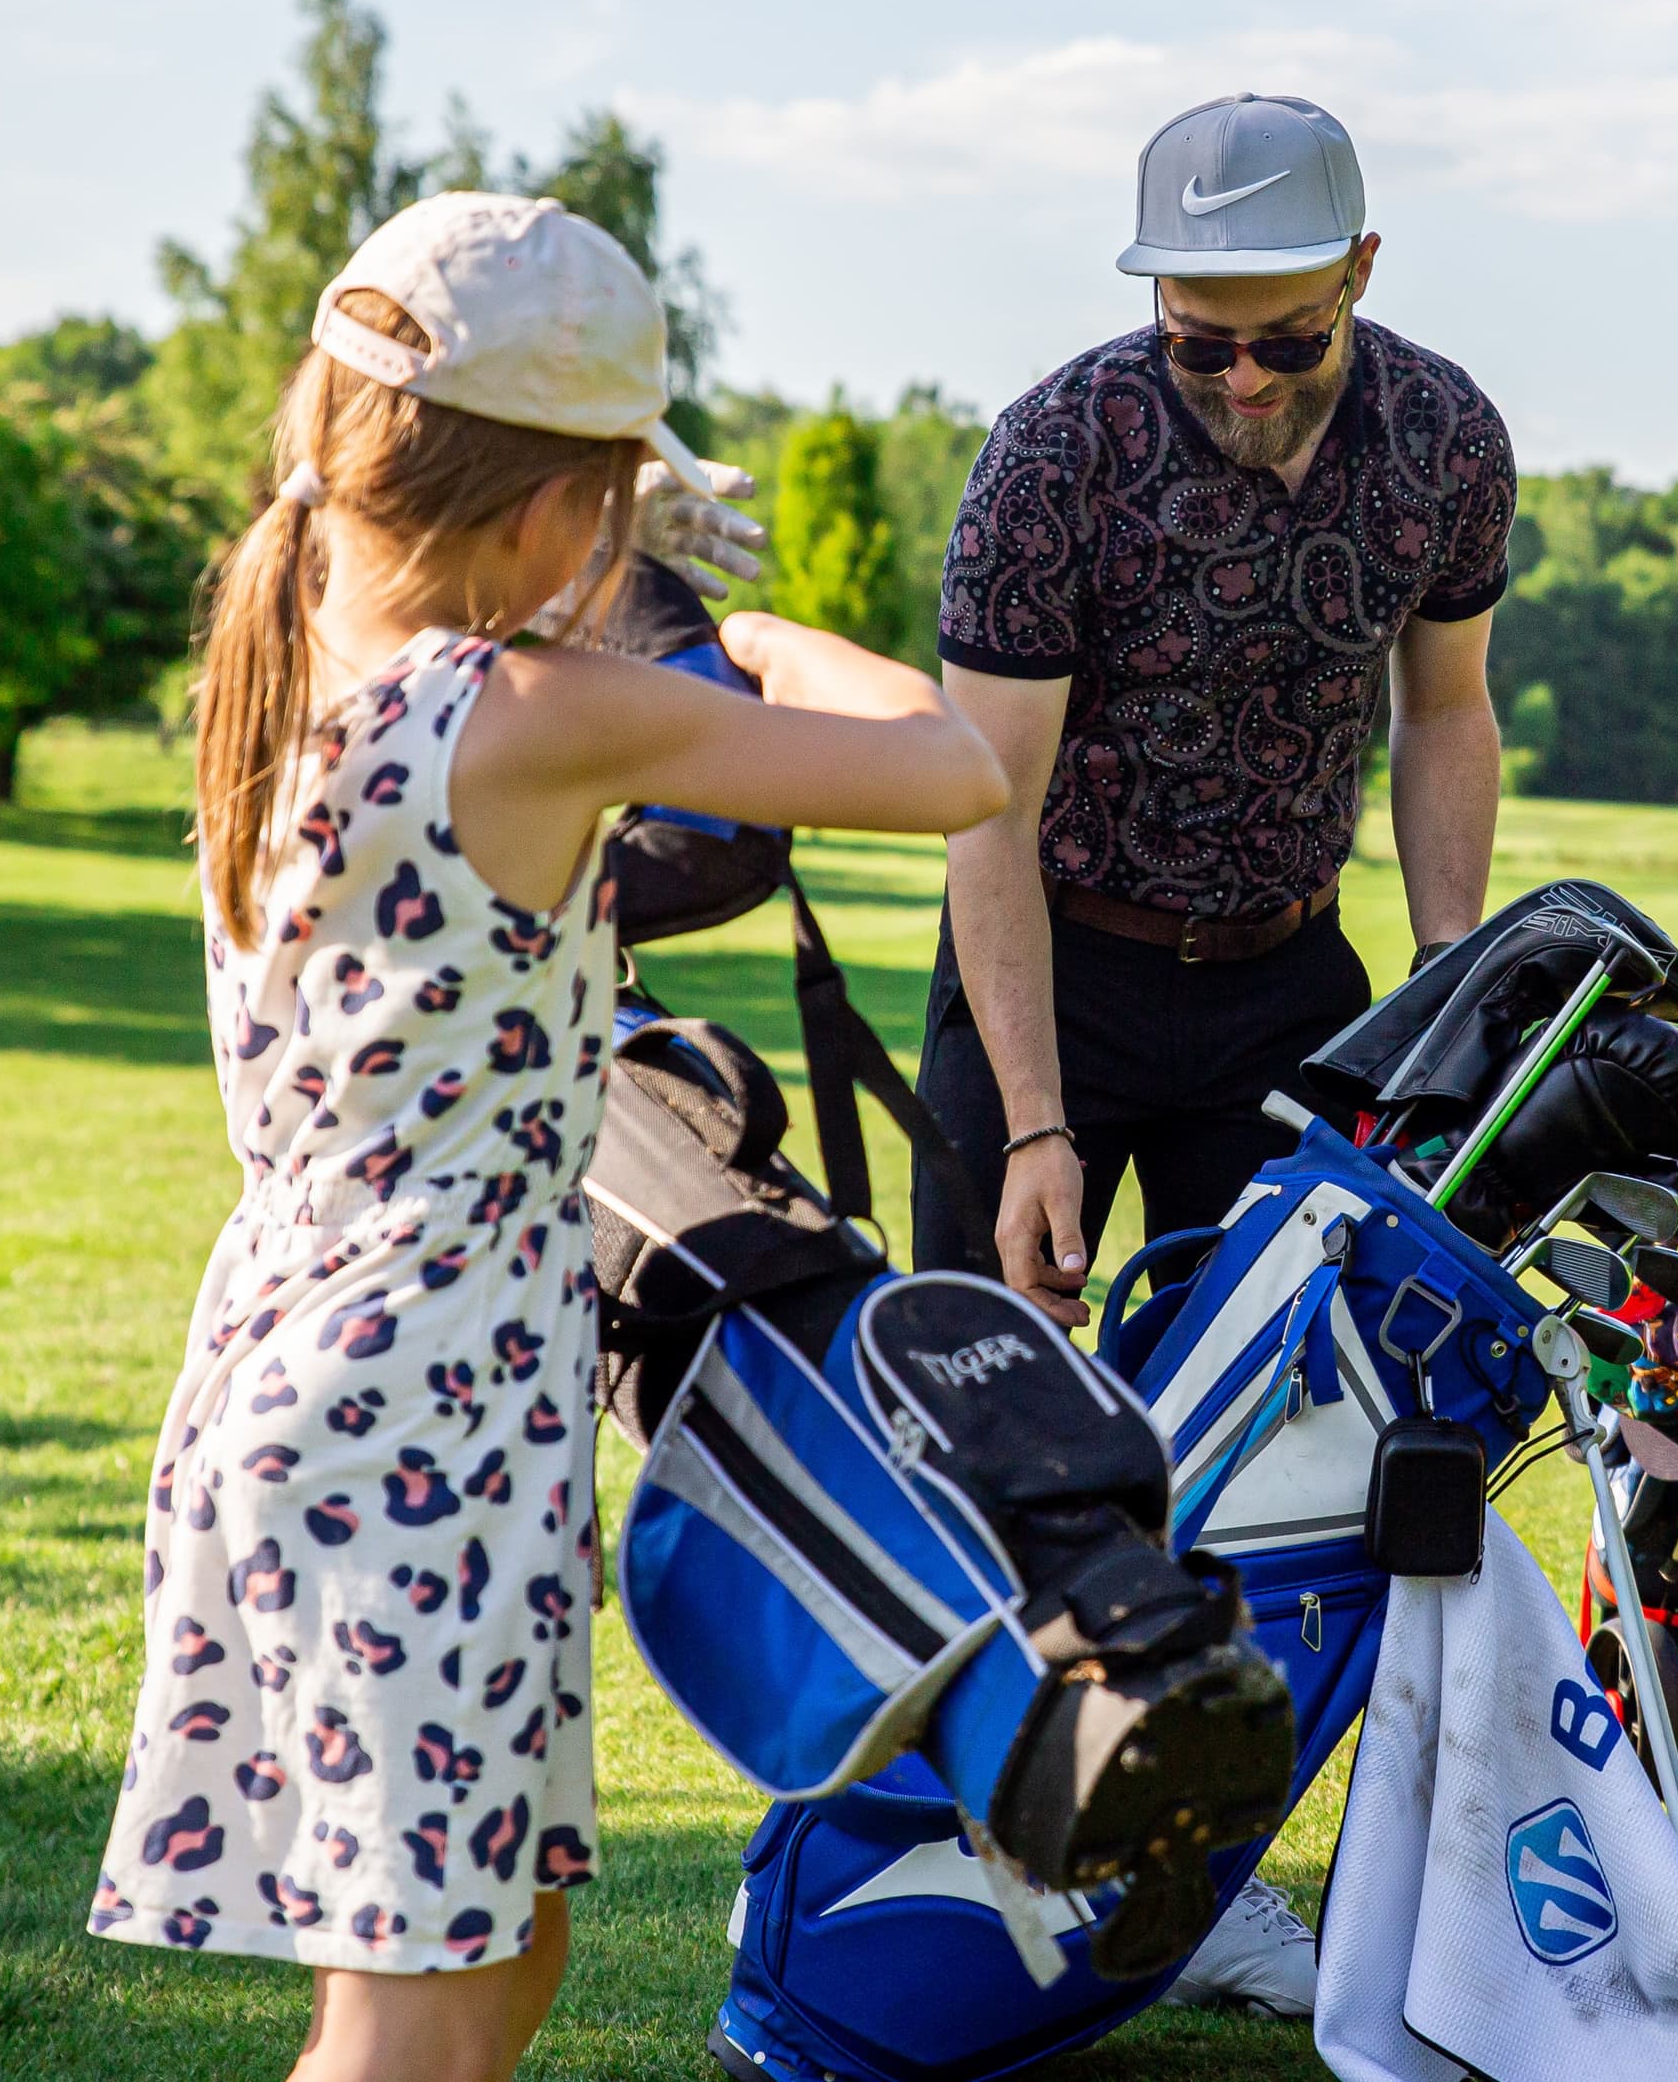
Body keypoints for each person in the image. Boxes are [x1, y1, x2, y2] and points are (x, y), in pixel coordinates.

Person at [89, 192, 1004, 2082]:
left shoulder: (281, 650)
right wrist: (742, 627)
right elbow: (952, 765)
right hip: (417, 1410)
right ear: (545, 510)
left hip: (319, 1372)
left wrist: (589, 554)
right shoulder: (536, 714)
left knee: (494, 1963)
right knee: (414, 2027)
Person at [919, 92, 1516, 2012]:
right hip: (1054, 976)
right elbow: (981, 811)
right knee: (993, 1450)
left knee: (1280, 1456)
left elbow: (1447, 714)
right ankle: (952, 1877)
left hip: (1283, 985)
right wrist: (1032, 1124)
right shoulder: (1055, 454)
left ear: (1360, 269)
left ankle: (1194, 1887)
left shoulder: (1445, 438)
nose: (1242, 377)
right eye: (1201, 340)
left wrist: (1439, 993)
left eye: (1284, 336)